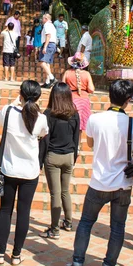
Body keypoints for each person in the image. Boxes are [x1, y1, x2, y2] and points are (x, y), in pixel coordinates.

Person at [65, 80, 133, 266]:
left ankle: (77, 265)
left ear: (109, 95)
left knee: (86, 223)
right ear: (128, 100)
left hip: (99, 182)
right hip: (123, 183)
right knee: (117, 227)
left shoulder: (95, 120)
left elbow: (90, 144)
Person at [0, 80, 49, 266]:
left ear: (20, 94)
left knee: (5, 211)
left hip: (9, 170)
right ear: (38, 97)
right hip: (30, 172)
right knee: (24, 212)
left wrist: (16, 102)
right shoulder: (41, 118)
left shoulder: (8, 112)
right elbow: (43, 134)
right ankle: (16, 255)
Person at [40, 83, 80, 239]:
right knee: (65, 191)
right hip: (69, 155)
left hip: (53, 157)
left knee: (55, 194)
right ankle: (68, 223)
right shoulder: (74, 114)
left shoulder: (49, 114)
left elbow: (45, 140)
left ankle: (54, 229)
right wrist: (74, 156)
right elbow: (77, 137)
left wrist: (40, 160)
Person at [63, 52, 94, 133]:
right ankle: (78, 144)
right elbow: (91, 89)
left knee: (69, 124)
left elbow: (62, 88)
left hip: (70, 100)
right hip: (84, 101)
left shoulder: (67, 73)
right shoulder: (87, 74)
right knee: (79, 126)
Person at [39, 13, 58, 89]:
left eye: (43, 19)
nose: (42, 20)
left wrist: (45, 47)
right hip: (52, 44)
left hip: (48, 44)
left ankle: (52, 78)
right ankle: (47, 82)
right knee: (47, 63)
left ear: (46, 19)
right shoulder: (52, 26)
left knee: (42, 62)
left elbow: (48, 35)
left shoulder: (47, 25)